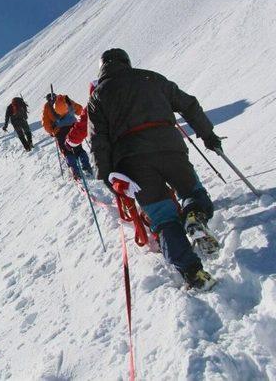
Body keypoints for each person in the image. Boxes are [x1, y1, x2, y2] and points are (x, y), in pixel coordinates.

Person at [87, 48, 222, 290]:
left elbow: (98, 140)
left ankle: (193, 273)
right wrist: (208, 135)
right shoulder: (151, 77)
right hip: (170, 148)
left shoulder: (98, 96)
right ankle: (194, 214)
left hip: (132, 163)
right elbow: (188, 104)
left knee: (162, 217)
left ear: (102, 68)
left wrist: (107, 176)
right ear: (127, 62)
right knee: (191, 191)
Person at [41, 92, 93, 180]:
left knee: (66, 151)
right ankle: (87, 167)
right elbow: (79, 109)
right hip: (73, 126)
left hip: (59, 131)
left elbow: (45, 123)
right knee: (78, 148)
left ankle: (75, 172)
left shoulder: (47, 106)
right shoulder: (64, 99)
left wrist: (52, 132)